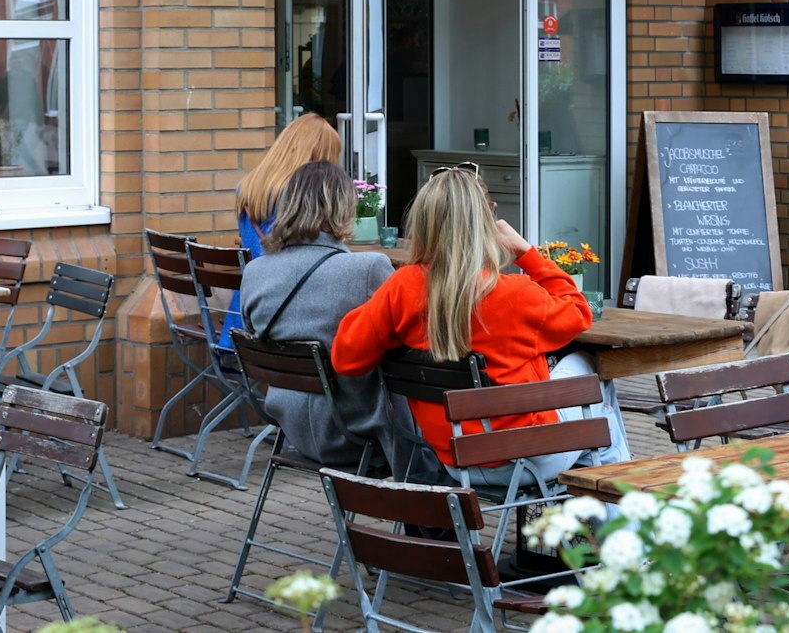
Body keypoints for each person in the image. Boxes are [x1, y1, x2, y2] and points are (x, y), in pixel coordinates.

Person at [330, 166, 630, 489]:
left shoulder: (402, 288)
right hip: (530, 458)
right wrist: (526, 252)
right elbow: (579, 310)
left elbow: (345, 358)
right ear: (484, 225)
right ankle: (623, 521)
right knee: (591, 373)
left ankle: (589, 514)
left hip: (456, 460)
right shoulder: (515, 294)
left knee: (594, 429)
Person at [239, 161, 431, 477]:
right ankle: (435, 513)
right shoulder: (367, 269)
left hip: (290, 426)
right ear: (343, 209)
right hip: (358, 430)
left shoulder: (255, 272)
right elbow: (412, 343)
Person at [221, 113, 344, 348]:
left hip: (248, 311)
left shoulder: (247, 188)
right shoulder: (296, 199)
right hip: (287, 319)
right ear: (316, 156)